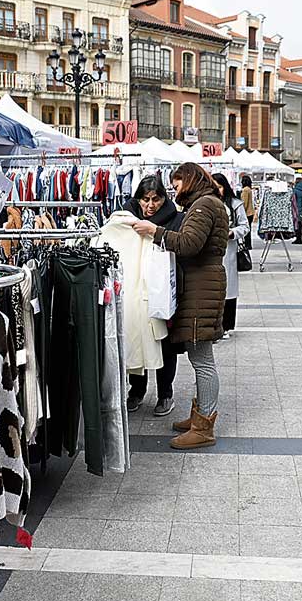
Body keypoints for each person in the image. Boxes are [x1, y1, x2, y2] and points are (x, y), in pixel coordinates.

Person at [133, 162, 229, 449]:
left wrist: (154, 231)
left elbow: (189, 244)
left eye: (176, 186)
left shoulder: (203, 206)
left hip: (202, 287)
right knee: (200, 357)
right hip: (203, 284)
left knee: (202, 359)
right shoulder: (208, 203)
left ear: (188, 181)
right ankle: (198, 416)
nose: (175, 192)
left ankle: (204, 427)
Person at [124, 175, 183, 417]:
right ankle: (136, 390)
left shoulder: (176, 219)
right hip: (134, 291)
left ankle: (165, 393)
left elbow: (181, 248)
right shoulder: (126, 220)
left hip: (164, 292)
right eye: (145, 199)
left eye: (156, 199)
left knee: (165, 344)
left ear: (163, 198)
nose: (150, 205)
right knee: (136, 338)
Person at [213, 172, 249, 339]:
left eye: (219, 186)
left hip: (229, 250)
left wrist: (232, 233)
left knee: (228, 288)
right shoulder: (207, 203)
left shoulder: (235, 204)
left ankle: (226, 325)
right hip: (210, 251)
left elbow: (245, 226)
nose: (217, 190)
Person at [239, 175, 256, 248]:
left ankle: (247, 244)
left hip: (247, 213)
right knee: (248, 229)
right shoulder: (249, 189)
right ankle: (248, 244)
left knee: (246, 229)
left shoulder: (245, 190)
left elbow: (244, 202)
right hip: (250, 212)